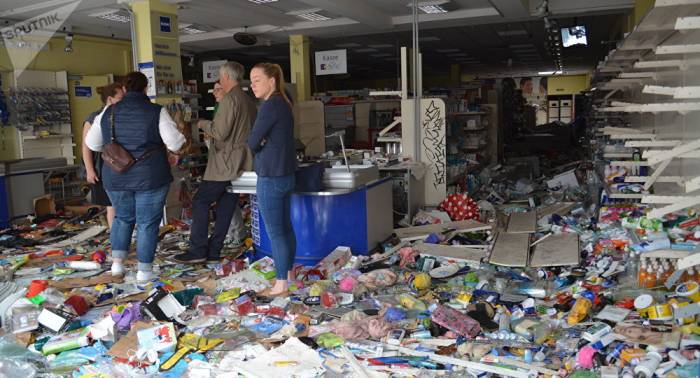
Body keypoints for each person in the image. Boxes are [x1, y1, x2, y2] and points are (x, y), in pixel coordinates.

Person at [85, 72, 186, 282]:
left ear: (124, 88)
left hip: (115, 177)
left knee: (122, 218)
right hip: (150, 176)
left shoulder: (108, 112)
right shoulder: (156, 111)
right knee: (147, 223)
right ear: (145, 88)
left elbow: (93, 144)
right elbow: (174, 143)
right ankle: (144, 271)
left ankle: (117, 265)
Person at [176, 62, 256, 263]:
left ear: (228, 77)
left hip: (224, 162)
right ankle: (214, 251)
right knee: (227, 206)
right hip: (241, 161)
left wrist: (201, 123)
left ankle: (197, 250)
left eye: (220, 78)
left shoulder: (230, 99)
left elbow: (220, 132)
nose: (219, 82)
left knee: (201, 201)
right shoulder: (248, 100)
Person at [247, 63, 297, 297]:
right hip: (286, 175)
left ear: (272, 81)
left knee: (276, 232)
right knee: (286, 228)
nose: (252, 85)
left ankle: (280, 284)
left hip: (270, 176)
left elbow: (252, 141)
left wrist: (261, 144)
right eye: (251, 80)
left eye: (257, 79)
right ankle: (288, 275)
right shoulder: (285, 103)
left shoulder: (270, 106)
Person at [82, 82, 124, 228]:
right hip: (104, 165)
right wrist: (90, 170)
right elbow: (86, 146)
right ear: (110, 99)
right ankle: (116, 238)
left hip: (121, 163)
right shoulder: (94, 117)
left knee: (122, 205)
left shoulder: (122, 115)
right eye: (121, 97)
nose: (124, 100)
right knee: (112, 205)